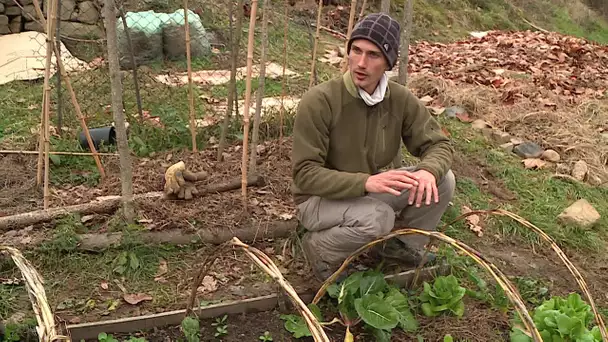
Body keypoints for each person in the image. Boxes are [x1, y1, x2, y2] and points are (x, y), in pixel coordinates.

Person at [290, 12, 456, 281]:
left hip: (365, 191)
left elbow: (439, 144)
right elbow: (305, 175)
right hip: (318, 200)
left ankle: (400, 248)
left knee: (442, 180)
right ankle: (319, 248)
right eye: (356, 50)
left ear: (389, 63)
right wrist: (366, 182)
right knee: (378, 217)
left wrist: (428, 171)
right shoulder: (320, 101)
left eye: (373, 55)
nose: (361, 63)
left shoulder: (398, 99)